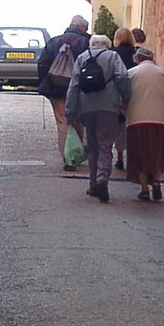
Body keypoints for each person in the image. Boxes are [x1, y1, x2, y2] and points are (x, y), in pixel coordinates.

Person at [65, 34, 131, 203]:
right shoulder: (113, 56)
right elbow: (122, 77)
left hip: (86, 107)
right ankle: (103, 179)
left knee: (92, 145)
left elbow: (74, 85)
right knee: (105, 144)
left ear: (91, 45)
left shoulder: (82, 58)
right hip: (108, 107)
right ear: (107, 45)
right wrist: (126, 97)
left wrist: (70, 110)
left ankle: (93, 184)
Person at [125, 46, 164, 201]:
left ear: (137, 59)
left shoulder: (130, 74)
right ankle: (156, 180)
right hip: (159, 121)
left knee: (139, 156)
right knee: (157, 154)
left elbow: (125, 98)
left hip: (136, 121)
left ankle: (144, 190)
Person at [37, 15, 90, 169]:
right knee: (78, 121)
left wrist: (45, 83)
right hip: (78, 89)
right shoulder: (85, 43)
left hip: (55, 89)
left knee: (62, 122)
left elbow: (42, 64)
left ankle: (67, 158)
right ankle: (76, 155)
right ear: (82, 28)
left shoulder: (54, 42)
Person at [112, 27, 136, 170]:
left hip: (119, 93)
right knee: (133, 125)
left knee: (120, 127)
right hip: (135, 92)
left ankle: (120, 158)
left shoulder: (114, 54)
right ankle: (132, 157)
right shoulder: (136, 53)